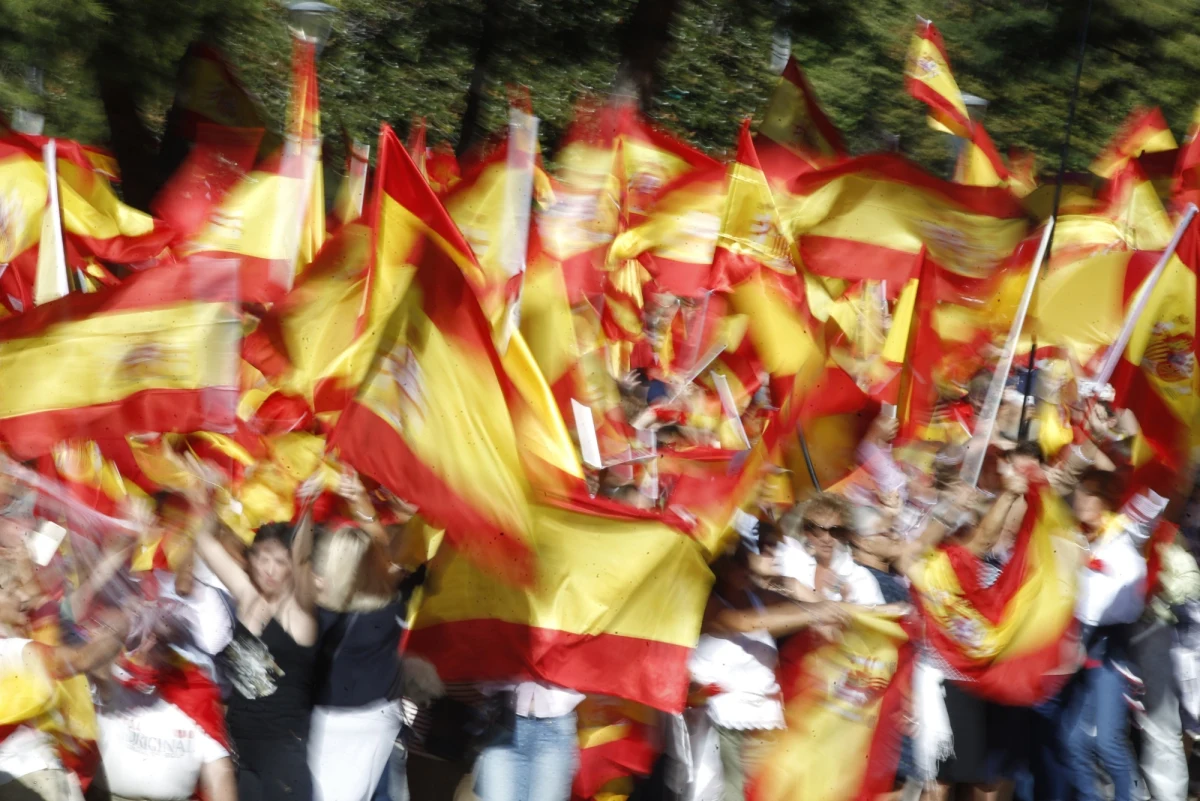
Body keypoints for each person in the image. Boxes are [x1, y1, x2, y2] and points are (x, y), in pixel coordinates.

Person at [688, 541, 849, 801]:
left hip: (764, 716)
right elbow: (747, 622)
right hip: (722, 718)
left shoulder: (757, 596)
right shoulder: (709, 603)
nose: (744, 568)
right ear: (722, 565)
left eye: (746, 561)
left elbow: (800, 607)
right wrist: (816, 612)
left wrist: (871, 612)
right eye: (738, 561)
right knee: (733, 793)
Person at [196, 489, 319, 801]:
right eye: (262, 557)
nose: (269, 568)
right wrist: (209, 498)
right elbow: (204, 541)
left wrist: (307, 506)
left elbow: (303, 555)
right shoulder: (247, 596)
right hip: (240, 749)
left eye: (279, 561)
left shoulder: (298, 613)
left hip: (282, 757)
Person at [308, 472, 415, 801]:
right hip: (374, 726)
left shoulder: (310, 614)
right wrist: (360, 503)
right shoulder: (390, 606)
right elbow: (389, 554)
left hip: (323, 725)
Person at [0, 549, 128, 801]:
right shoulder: (12, 650)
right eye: (11, 591)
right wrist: (119, 630)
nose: (22, 597)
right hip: (33, 778)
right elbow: (81, 660)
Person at [1063, 468, 1147, 801]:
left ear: (1107, 501)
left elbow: (1126, 605)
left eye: (1091, 493)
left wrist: (1090, 570)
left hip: (1110, 650)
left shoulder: (1122, 544)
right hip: (1085, 649)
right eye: (1080, 492)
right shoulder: (1078, 538)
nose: (1082, 500)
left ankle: (1133, 796)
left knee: (1108, 741)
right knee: (1072, 741)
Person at [94, 609, 236, 801]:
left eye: (161, 640)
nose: (151, 644)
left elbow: (219, 770)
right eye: (146, 636)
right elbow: (94, 666)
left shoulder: (196, 693)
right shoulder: (111, 676)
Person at [774, 493, 885, 605]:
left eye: (835, 531)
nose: (827, 539)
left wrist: (847, 603)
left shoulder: (861, 578)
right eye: (818, 531)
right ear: (807, 532)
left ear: (844, 535)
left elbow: (876, 620)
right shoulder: (796, 564)